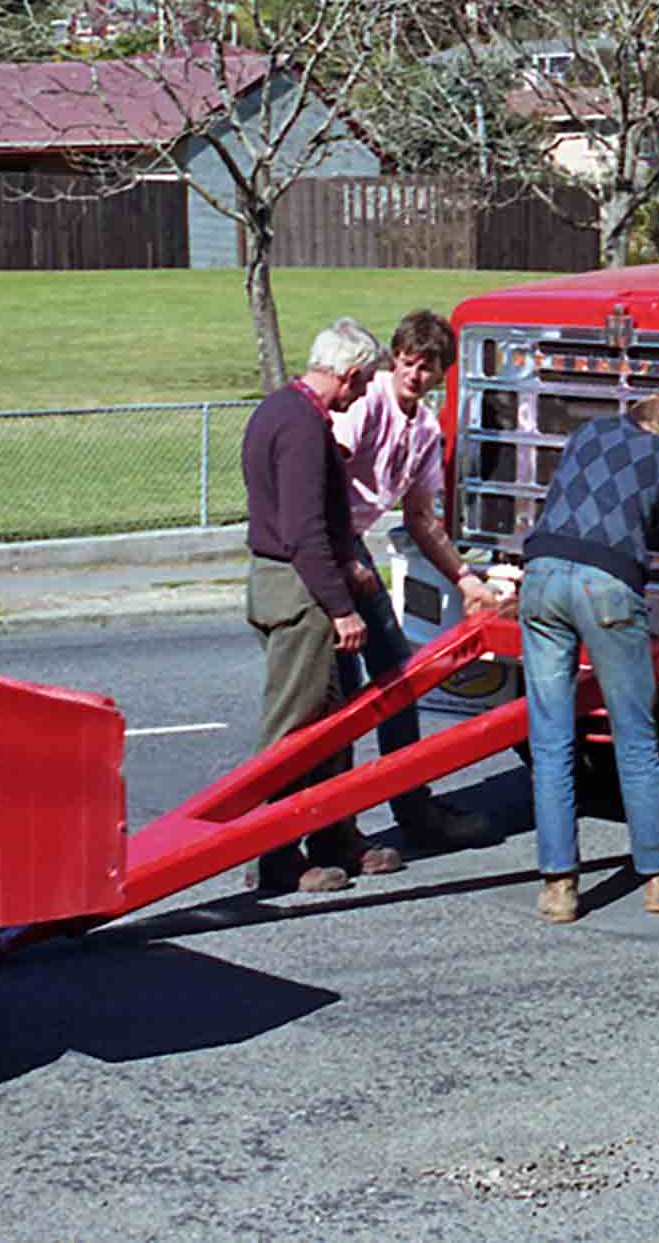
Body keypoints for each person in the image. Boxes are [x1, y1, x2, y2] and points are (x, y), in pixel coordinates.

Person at [520, 393, 659, 924]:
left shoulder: (587, 434)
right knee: (635, 738)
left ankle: (558, 889)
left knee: (551, 741)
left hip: (540, 577)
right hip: (606, 588)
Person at [331, 310, 501, 849]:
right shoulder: (364, 402)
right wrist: (343, 559)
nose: (415, 375)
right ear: (394, 359)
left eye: (427, 368)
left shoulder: (425, 428)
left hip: (353, 542)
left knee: (397, 676)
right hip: (325, 542)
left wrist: (466, 579)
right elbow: (324, 479)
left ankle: (411, 803)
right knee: (336, 691)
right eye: (407, 362)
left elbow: (421, 517)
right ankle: (332, 824)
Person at [241, 320, 399, 897]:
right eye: (364, 384)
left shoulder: (278, 410)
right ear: (350, 374)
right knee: (294, 732)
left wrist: (347, 566)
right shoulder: (304, 427)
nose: (362, 396)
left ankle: (334, 837)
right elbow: (302, 530)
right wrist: (340, 608)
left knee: (330, 728)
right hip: (299, 595)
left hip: (286, 583)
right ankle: (274, 855)